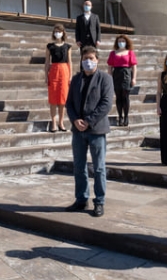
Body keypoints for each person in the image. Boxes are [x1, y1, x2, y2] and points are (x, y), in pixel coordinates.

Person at [65, 46, 113, 217]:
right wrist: (75, 120)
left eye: (91, 58)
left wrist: (88, 121)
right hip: (78, 130)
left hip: (96, 130)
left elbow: (106, 104)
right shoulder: (77, 79)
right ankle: (81, 199)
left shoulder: (104, 78)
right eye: (85, 58)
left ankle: (99, 201)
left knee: (99, 167)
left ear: (97, 60)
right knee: (79, 166)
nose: (88, 61)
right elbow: (69, 103)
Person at [45, 24, 72, 132]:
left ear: (63, 33)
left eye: (59, 31)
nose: (57, 33)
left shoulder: (67, 47)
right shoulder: (49, 46)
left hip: (64, 71)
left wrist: (70, 75)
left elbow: (70, 61)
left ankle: (61, 122)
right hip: (54, 71)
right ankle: (53, 123)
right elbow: (47, 62)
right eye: (56, 31)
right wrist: (46, 75)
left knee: (62, 99)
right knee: (53, 99)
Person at [106, 35, 137, 126]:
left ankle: (126, 116)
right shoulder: (113, 53)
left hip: (126, 74)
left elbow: (134, 66)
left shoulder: (130, 52)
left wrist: (134, 78)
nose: (121, 43)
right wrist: (110, 77)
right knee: (118, 97)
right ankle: (120, 116)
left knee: (125, 96)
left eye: (123, 41)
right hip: (116, 74)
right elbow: (109, 67)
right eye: (119, 41)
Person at [75, 0, 101, 69]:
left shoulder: (95, 17)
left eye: (88, 5)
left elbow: (98, 29)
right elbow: (77, 30)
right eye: (86, 5)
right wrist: (77, 40)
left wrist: (98, 39)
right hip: (83, 40)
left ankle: (94, 69)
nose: (87, 6)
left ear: (91, 6)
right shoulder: (79, 17)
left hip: (93, 40)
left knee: (93, 55)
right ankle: (83, 71)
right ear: (83, 6)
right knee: (83, 55)